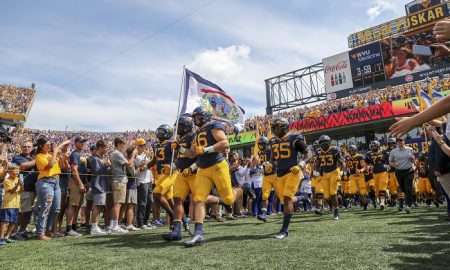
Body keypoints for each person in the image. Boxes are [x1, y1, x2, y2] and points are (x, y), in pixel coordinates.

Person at [182, 106, 236, 247]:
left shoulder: (213, 125)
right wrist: (179, 148)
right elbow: (192, 154)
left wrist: (206, 149)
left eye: (198, 117)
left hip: (217, 166)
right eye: (194, 117)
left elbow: (224, 143)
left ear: (205, 116)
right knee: (199, 198)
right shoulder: (196, 133)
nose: (195, 119)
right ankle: (198, 234)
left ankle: (243, 190)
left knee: (229, 199)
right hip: (203, 169)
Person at [267, 117, 311, 238]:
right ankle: (303, 197)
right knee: (285, 201)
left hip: (293, 171)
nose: (275, 129)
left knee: (286, 199)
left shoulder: (293, 137)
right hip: (279, 173)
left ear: (285, 126)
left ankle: (284, 230)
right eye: (274, 127)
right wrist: (269, 164)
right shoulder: (273, 141)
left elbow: (309, 153)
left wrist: (301, 164)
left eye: (278, 126)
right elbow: (273, 158)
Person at [163, 115, 196, 241]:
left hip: (194, 173)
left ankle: (222, 201)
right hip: (182, 173)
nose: (177, 128)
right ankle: (177, 230)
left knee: (201, 199)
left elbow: (193, 155)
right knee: (177, 200)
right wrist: (171, 167)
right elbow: (180, 160)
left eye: (180, 126)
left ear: (187, 126)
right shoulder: (179, 139)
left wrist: (179, 148)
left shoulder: (193, 136)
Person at [35, 137, 69, 240]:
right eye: (47, 145)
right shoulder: (39, 156)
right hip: (46, 182)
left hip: (56, 182)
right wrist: (55, 153)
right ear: (41, 146)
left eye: (50, 145)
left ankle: (48, 231)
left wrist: (62, 157)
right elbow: (49, 166)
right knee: (46, 207)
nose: (49, 146)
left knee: (56, 208)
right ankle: (40, 233)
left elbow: (63, 167)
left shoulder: (51, 155)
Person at [149, 124, 177, 228]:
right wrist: (144, 167)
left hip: (170, 173)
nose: (160, 133)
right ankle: (182, 219)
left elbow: (179, 158)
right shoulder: (155, 144)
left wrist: (173, 166)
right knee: (169, 199)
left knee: (157, 194)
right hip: (161, 174)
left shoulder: (171, 143)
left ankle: (173, 216)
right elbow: (154, 160)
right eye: (159, 131)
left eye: (162, 131)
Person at [109, 137, 137, 233]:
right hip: (119, 181)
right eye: (123, 144)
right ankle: (115, 226)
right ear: (119, 144)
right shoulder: (117, 153)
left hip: (118, 180)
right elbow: (129, 164)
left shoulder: (114, 153)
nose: (123, 146)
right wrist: (133, 155)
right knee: (118, 204)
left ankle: (113, 225)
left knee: (117, 204)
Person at [11, 141, 38, 240]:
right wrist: (37, 160)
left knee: (28, 211)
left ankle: (23, 230)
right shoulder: (17, 157)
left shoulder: (32, 158)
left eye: (28, 146)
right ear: (21, 148)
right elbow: (23, 166)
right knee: (19, 211)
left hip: (32, 188)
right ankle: (13, 232)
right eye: (24, 146)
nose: (26, 148)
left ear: (31, 148)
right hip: (22, 188)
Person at [315, 135, 342, 220]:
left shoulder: (335, 149)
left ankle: (336, 212)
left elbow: (341, 161)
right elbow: (317, 164)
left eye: (325, 142)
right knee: (327, 195)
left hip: (334, 172)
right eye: (322, 142)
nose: (323, 144)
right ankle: (338, 203)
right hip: (324, 174)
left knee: (333, 193)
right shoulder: (319, 151)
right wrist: (317, 174)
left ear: (329, 142)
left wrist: (341, 172)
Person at [66, 136, 88, 237]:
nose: (82, 143)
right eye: (80, 142)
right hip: (75, 182)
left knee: (77, 206)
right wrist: (80, 183)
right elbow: (74, 170)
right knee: (73, 205)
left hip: (80, 182)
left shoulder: (79, 154)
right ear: (75, 143)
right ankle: (69, 228)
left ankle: (73, 227)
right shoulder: (75, 154)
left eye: (83, 142)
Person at [89, 140, 111, 235]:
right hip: (98, 185)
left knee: (99, 206)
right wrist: (105, 165)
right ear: (100, 148)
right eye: (105, 147)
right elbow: (96, 171)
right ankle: (94, 227)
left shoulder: (101, 158)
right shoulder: (95, 159)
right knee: (97, 206)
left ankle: (96, 226)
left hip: (102, 185)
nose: (106, 149)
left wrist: (107, 166)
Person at [389, 138, 415, 214]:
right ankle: (410, 201)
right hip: (399, 171)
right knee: (403, 188)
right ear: (396, 143)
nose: (400, 143)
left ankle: (408, 205)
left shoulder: (409, 149)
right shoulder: (393, 151)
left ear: (404, 142)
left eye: (401, 141)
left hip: (409, 171)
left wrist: (412, 159)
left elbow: (413, 159)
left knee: (408, 188)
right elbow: (390, 161)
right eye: (398, 142)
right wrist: (393, 164)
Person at [256, 136, 277, 223]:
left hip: (275, 175)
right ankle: (264, 214)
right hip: (266, 176)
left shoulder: (270, 151)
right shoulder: (260, 153)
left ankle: (302, 198)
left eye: (262, 144)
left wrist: (270, 163)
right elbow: (261, 163)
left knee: (282, 195)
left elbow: (276, 160)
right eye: (260, 144)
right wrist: (261, 166)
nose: (261, 146)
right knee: (265, 196)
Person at [0, 164, 22, 245]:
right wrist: (18, 184)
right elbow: (12, 191)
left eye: (18, 170)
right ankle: (1, 238)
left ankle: (7, 237)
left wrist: (22, 185)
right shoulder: (7, 180)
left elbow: (20, 191)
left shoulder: (18, 179)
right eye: (14, 170)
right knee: (4, 221)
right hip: (8, 204)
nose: (16, 172)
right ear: (9, 172)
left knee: (13, 221)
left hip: (16, 204)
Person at [134, 138, 154, 230]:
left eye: (144, 145)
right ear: (138, 146)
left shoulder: (145, 155)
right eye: (142, 145)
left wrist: (152, 176)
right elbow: (146, 166)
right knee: (142, 203)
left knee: (150, 201)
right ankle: (140, 223)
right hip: (141, 181)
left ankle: (146, 221)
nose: (144, 147)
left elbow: (150, 166)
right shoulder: (137, 156)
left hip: (148, 180)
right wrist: (149, 161)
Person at [364, 141, 389, 210]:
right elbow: (367, 163)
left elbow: (389, 159)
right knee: (377, 192)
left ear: (378, 146)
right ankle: (386, 194)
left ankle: (382, 203)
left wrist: (387, 165)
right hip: (374, 174)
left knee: (382, 188)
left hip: (383, 172)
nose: (373, 147)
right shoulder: (369, 154)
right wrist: (368, 166)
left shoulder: (384, 152)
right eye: (372, 146)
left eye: (374, 146)